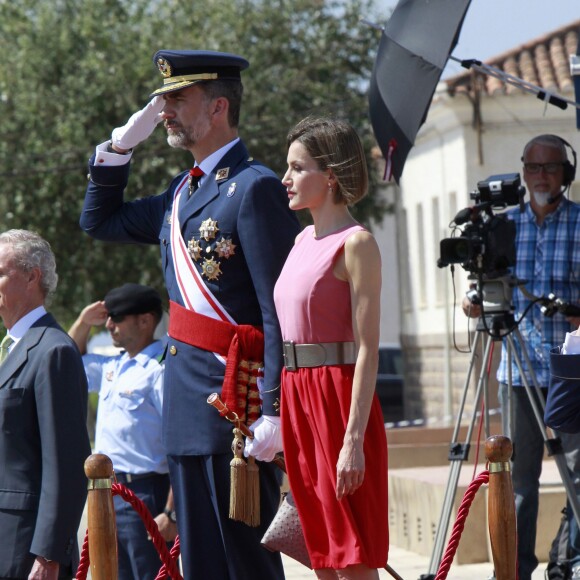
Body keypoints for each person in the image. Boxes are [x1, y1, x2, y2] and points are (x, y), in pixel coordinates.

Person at [79, 50, 300, 579]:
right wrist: (118, 149)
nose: (165, 111)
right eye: (163, 100)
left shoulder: (255, 185)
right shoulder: (181, 193)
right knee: (201, 562)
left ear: (219, 105)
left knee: (245, 558)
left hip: (236, 404)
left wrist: (273, 409)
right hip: (185, 404)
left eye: (178, 98)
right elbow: (98, 220)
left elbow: (276, 310)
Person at [264, 116, 389, 579]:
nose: (286, 179)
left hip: (338, 401)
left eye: (297, 168)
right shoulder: (300, 240)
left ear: (331, 175)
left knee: (349, 550)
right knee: (319, 547)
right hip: (297, 395)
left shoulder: (357, 243)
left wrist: (353, 440)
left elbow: (368, 350)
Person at [462, 134, 580, 580]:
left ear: (566, 173)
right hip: (518, 368)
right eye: (533, 167)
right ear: (523, 173)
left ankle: (567, 563)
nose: (541, 176)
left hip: (573, 369)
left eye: (550, 167)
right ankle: (514, 570)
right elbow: (481, 292)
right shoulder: (502, 227)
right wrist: (475, 303)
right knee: (517, 484)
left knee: (579, 479)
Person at [68, 283, 176, 580]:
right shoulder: (113, 365)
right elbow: (69, 363)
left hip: (146, 492)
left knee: (149, 574)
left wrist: (171, 512)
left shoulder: (161, 368)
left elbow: (178, 445)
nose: (109, 324)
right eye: (108, 317)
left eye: (118, 317)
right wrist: (82, 322)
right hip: (107, 493)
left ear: (145, 320)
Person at [0, 229, 91, 579]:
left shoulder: (54, 350)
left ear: (32, 276)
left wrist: (49, 555)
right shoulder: (12, 347)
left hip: (24, 549)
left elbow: (66, 463)